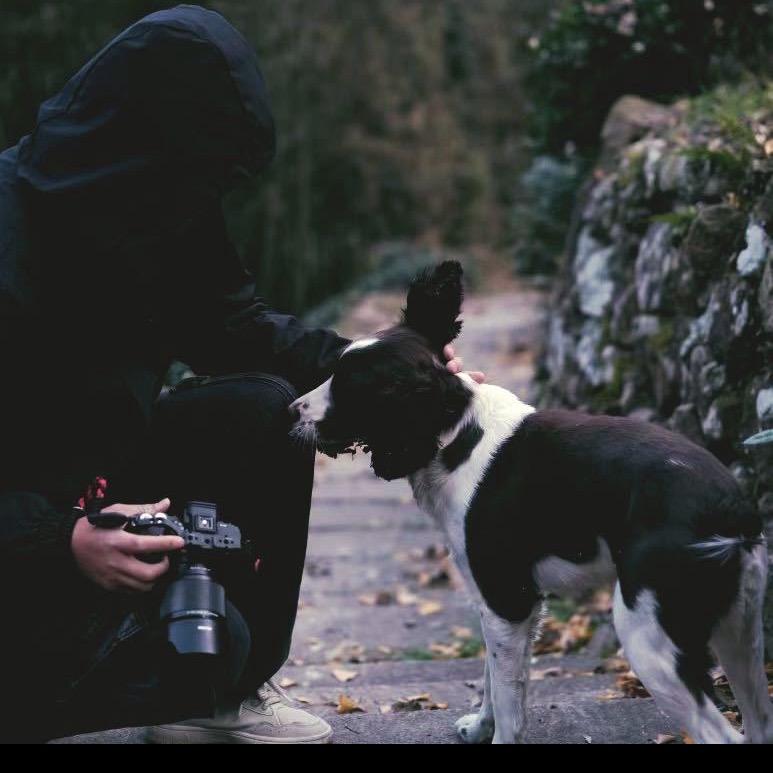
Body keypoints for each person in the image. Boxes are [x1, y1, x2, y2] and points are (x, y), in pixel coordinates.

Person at [0, 5, 479, 744]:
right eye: (195, 173)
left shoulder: (163, 211)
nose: (203, 197)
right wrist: (58, 540)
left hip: (108, 491)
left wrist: (373, 364)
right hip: (28, 532)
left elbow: (242, 331)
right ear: (144, 143)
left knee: (267, 411)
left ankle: (221, 690)